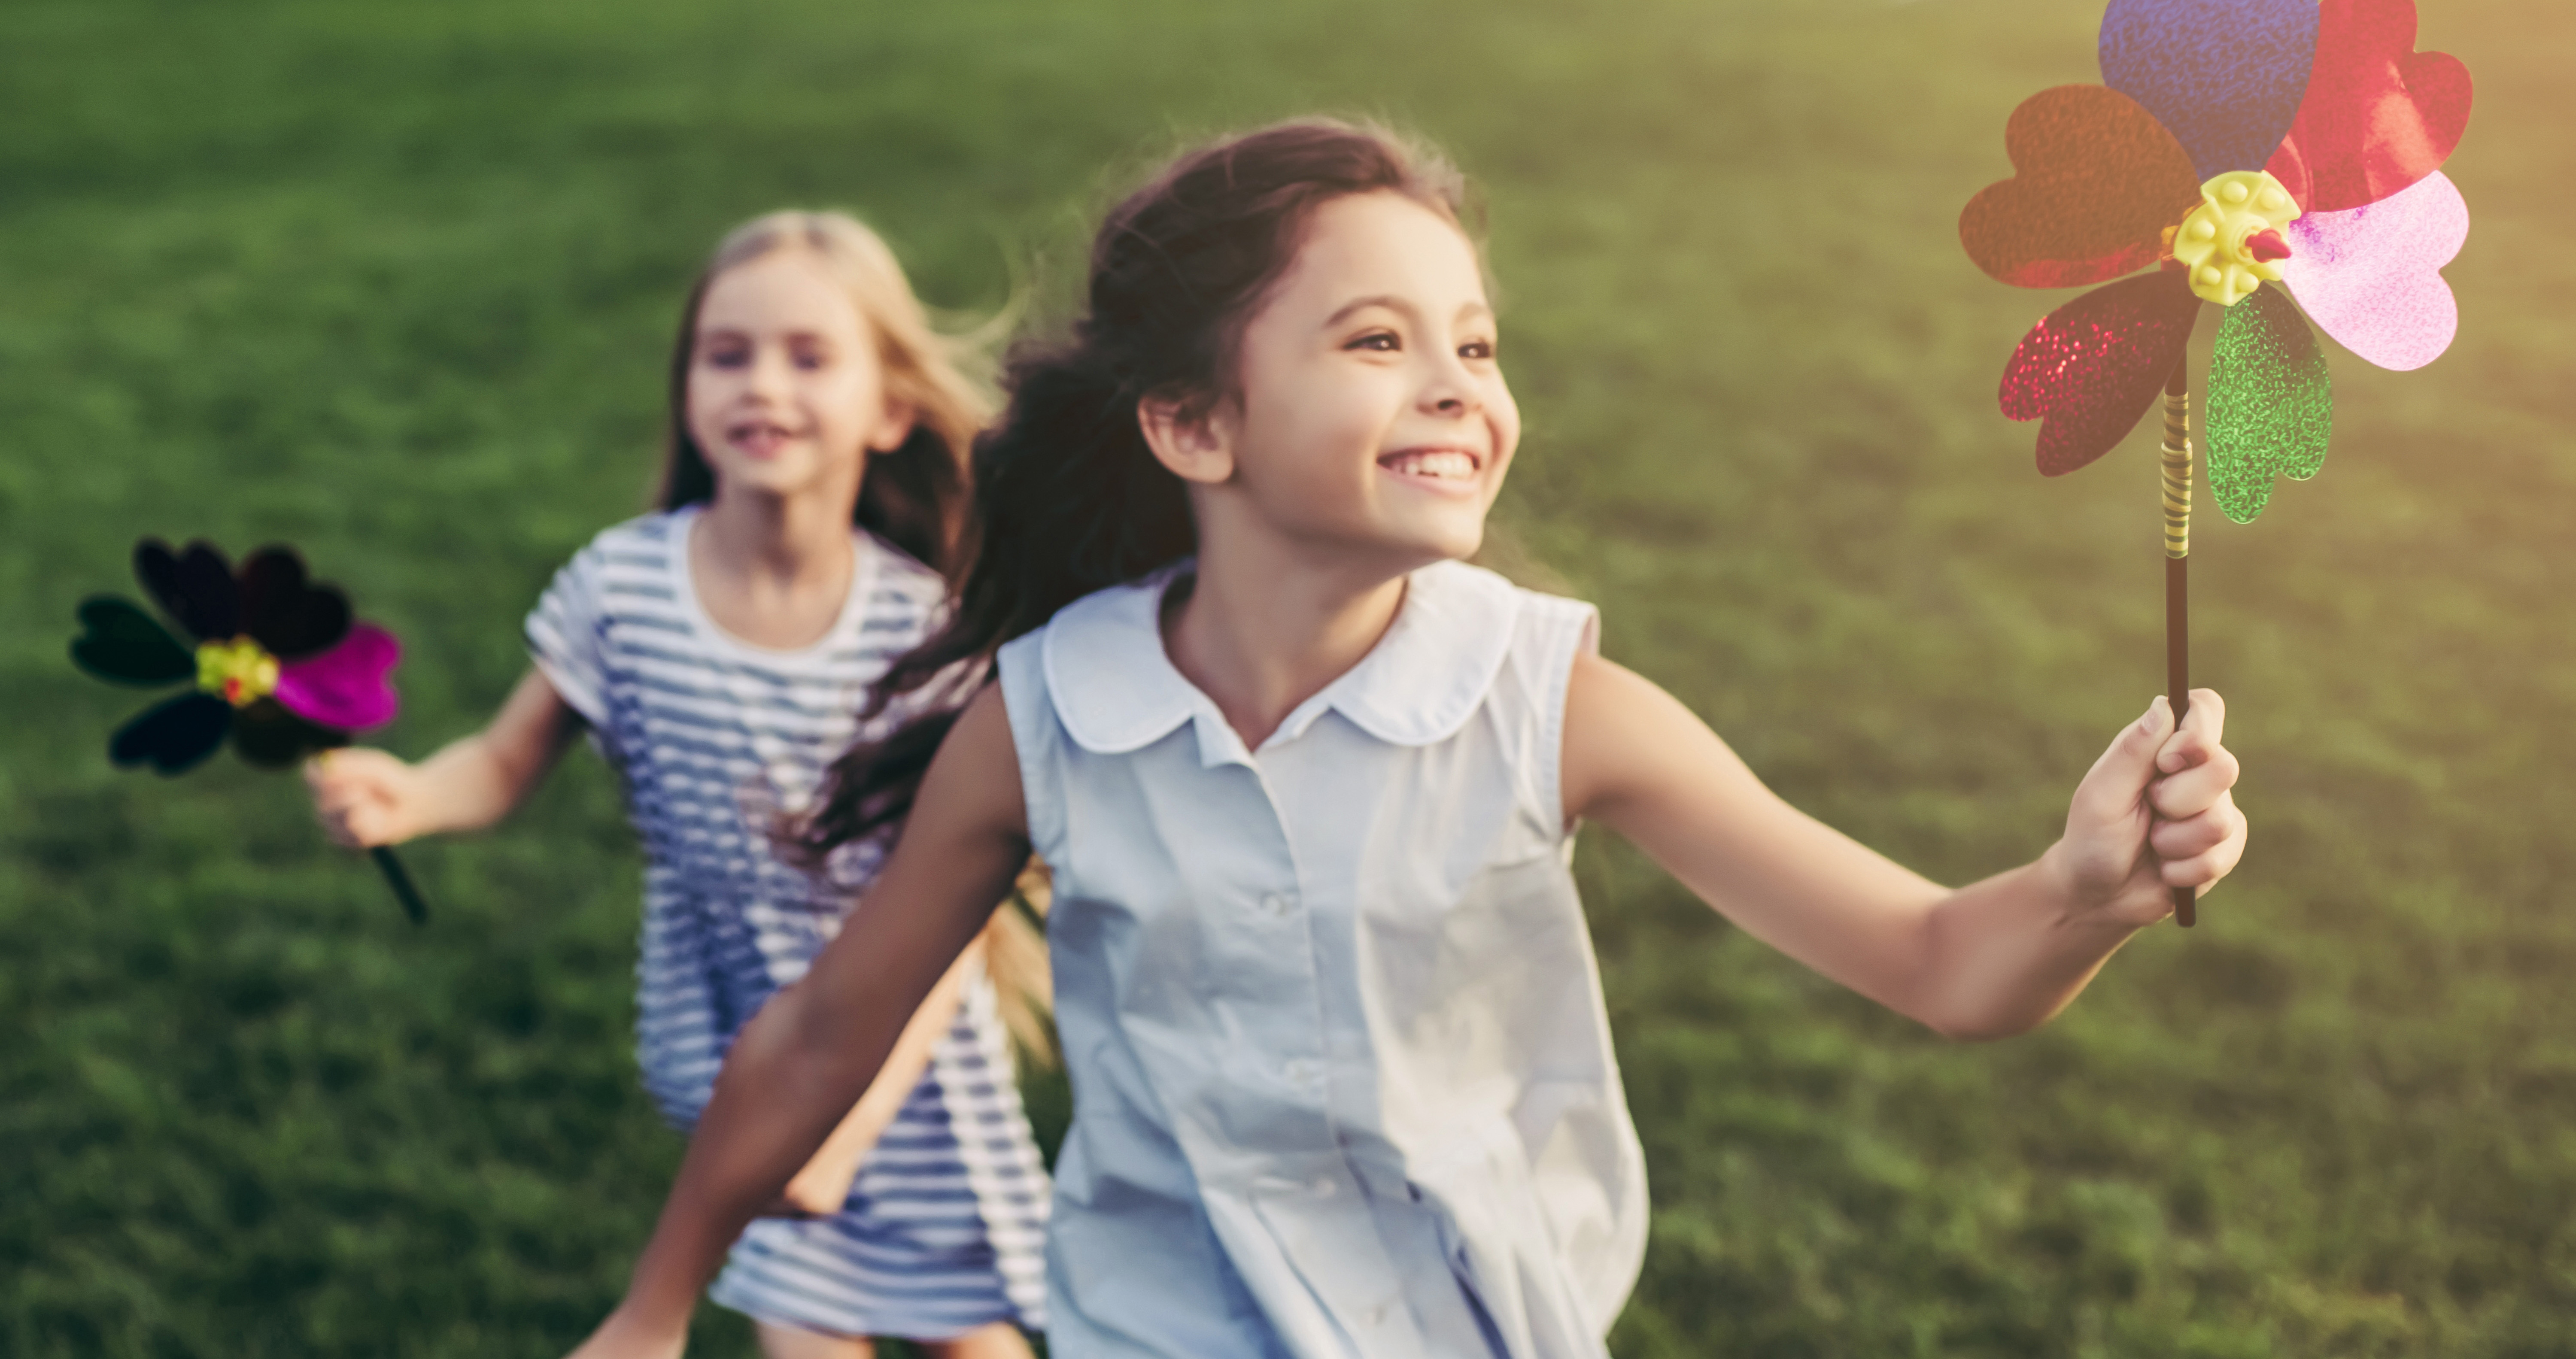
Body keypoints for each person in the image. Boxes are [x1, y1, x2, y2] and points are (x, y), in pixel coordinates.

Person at [562, 121, 2248, 1359]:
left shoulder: (1552, 704)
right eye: (1379, 342)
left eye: (1477, 344)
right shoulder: (1051, 714)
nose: (1458, 384)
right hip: (1157, 1335)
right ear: (1195, 424)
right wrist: (652, 1311)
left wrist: (2085, 890)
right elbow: (820, 1035)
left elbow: (1947, 963)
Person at [306, 211, 1050, 1359]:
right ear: (688, 387)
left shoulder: (918, 630)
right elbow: (504, 763)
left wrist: (846, 1128)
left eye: (810, 358)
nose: (763, 384)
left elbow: (947, 915)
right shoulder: (624, 588)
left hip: (903, 1057)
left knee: (967, 1337)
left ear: (889, 407)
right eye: (727, 353)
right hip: (736, 1034)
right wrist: (411, 795)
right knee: (803, 1331)